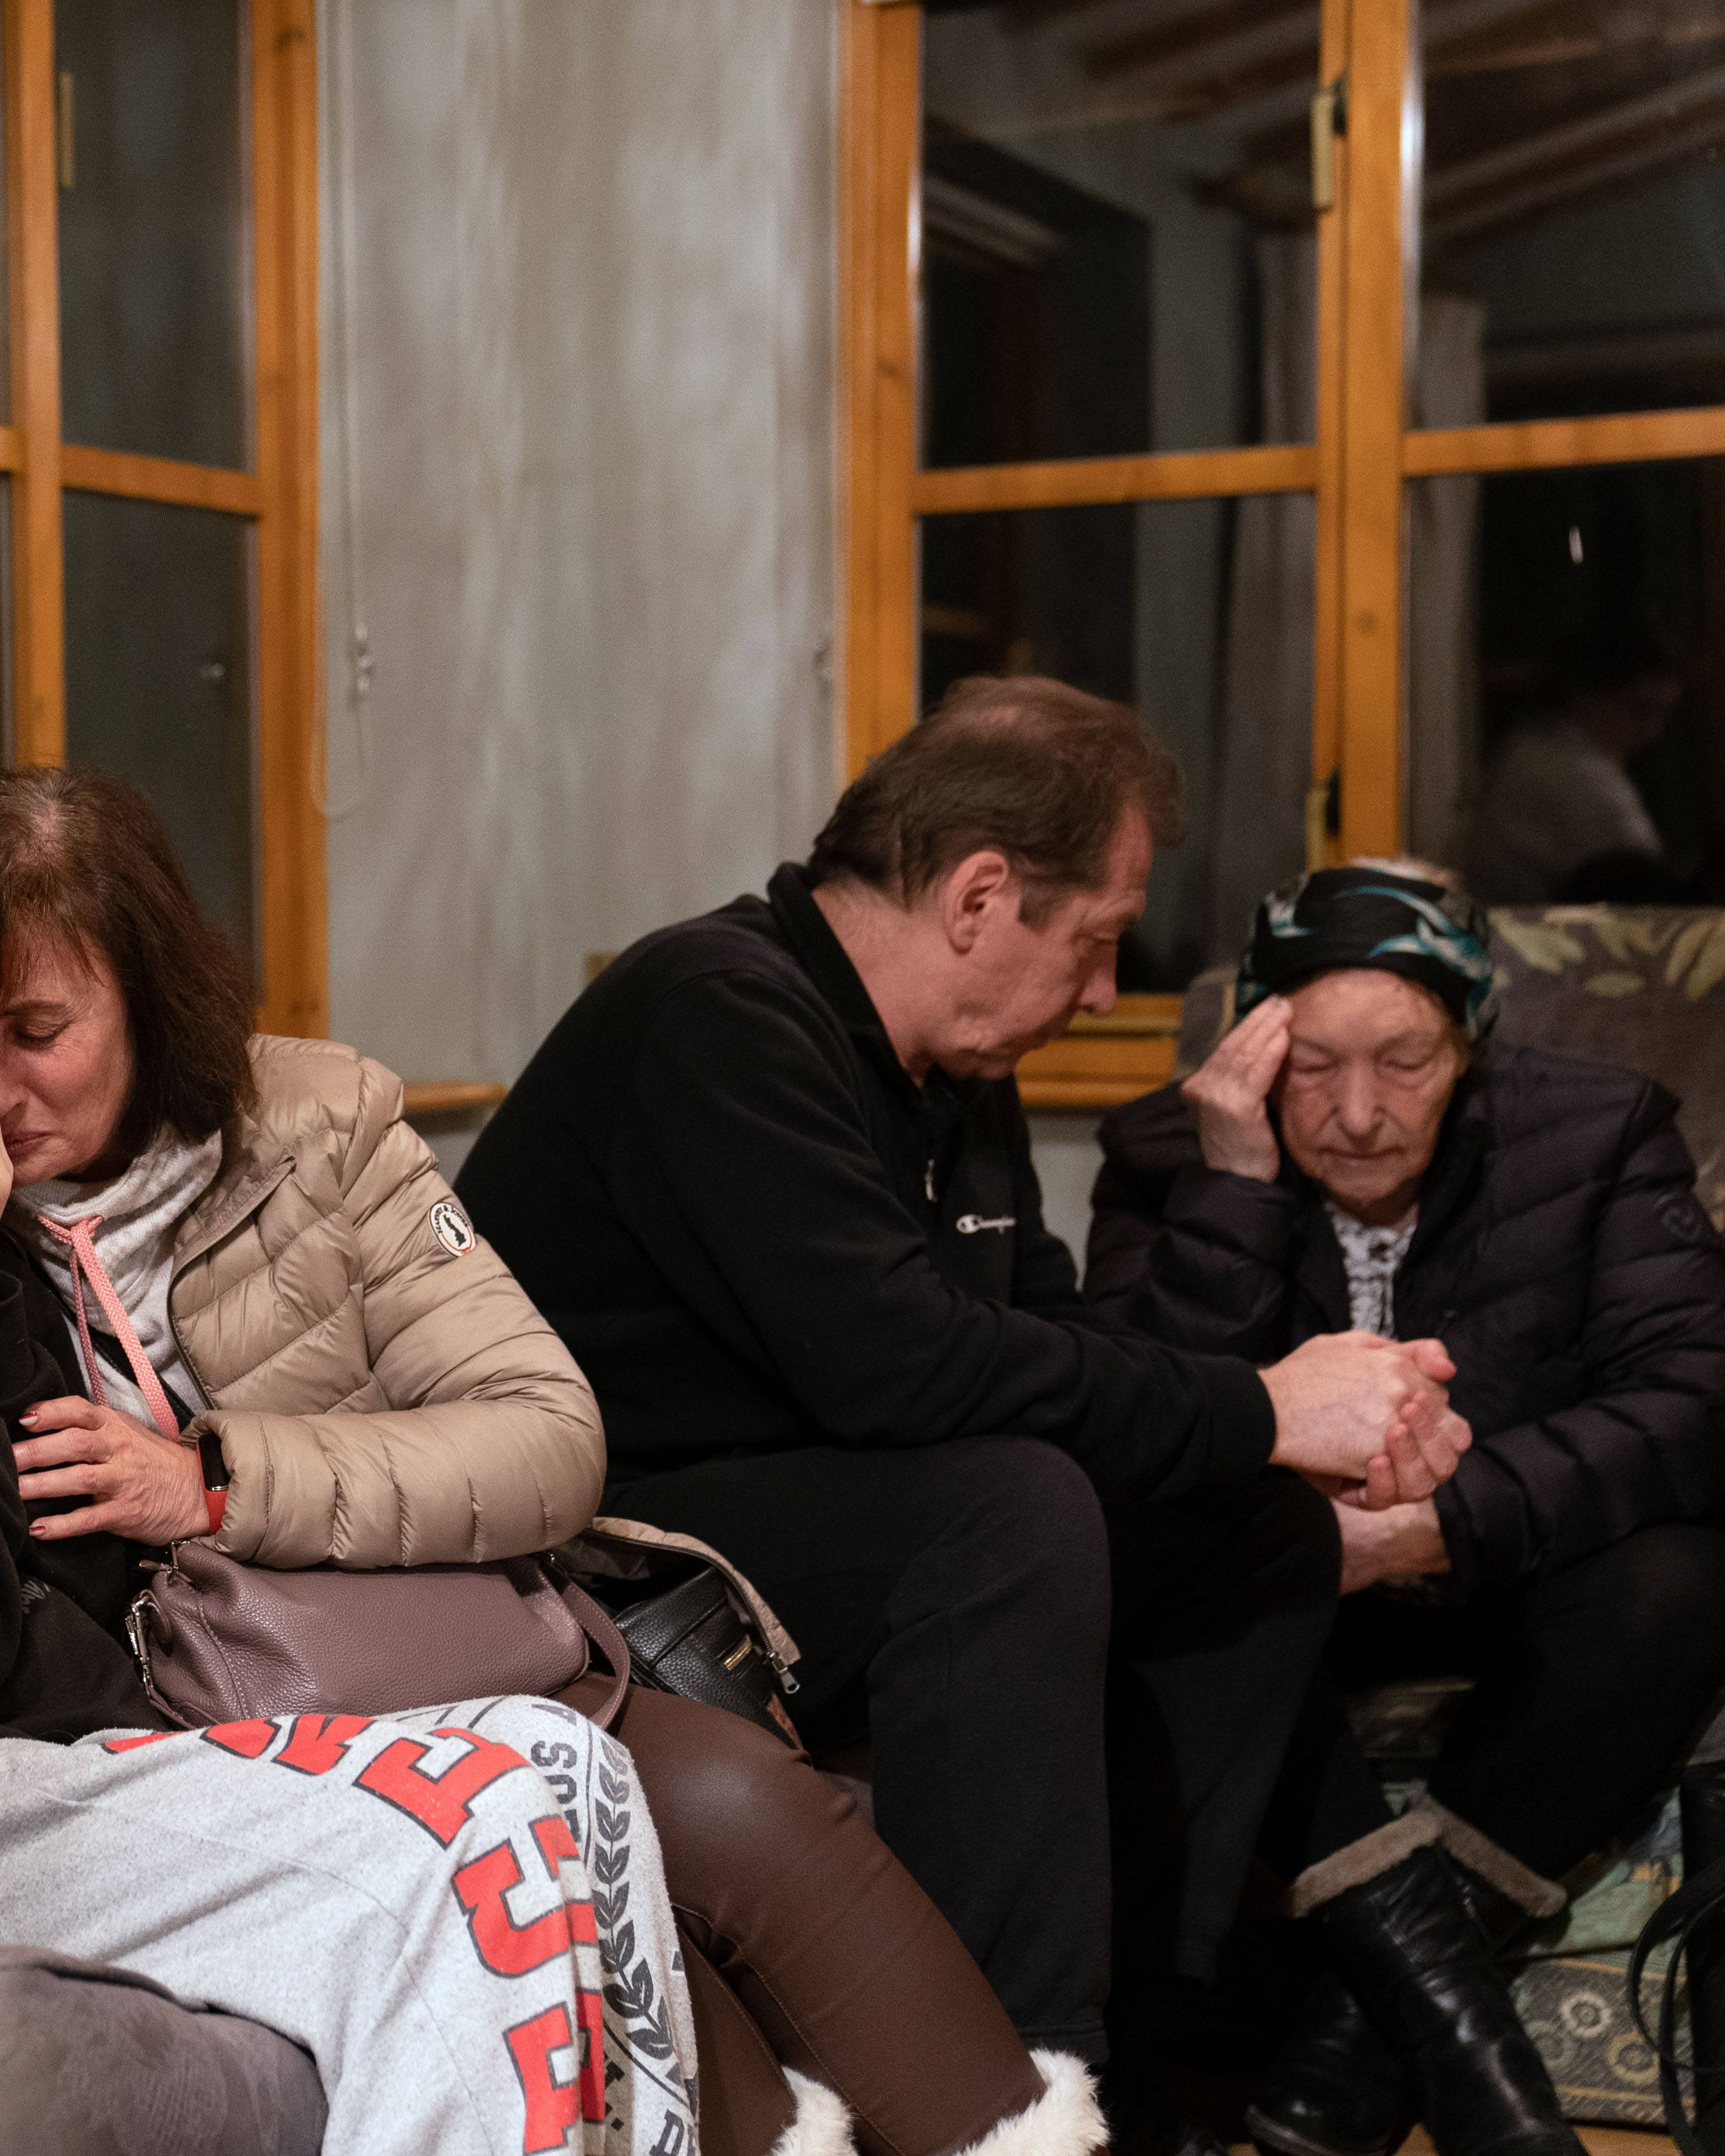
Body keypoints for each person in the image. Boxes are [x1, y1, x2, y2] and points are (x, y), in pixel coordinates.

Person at [0, 766, 1105, 2156]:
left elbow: (527, 1433)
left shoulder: (287, 1129)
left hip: (364, 1629)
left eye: (21, 1032)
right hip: (158, 1715)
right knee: (543, 1806)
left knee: (704, 1789)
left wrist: (213, 1477)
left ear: (149, 1002)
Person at [455, 676, 1471, 2156]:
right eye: (1100, 933)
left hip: (808, 1504)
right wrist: (1260, 1400)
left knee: (1249, 1528)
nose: (1107, 989)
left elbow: (1039, 1335)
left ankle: (1146, 2054)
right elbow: (902, 1369)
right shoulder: (715, 1011)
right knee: (1006, 1508)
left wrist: (1282, 1450)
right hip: (608, 1544)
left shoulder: (951, 1070)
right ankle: (997, 2087)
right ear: (983, 893)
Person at [1086, 862, 1725, 2156]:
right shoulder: (1169, 1152)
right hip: (1286, 1600)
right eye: (1313, 1066)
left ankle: (1355, 2027)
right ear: (1255, 1044)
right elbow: (1136, 1440)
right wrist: (1232, 1190)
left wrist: (1446, 1518)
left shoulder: (1597, 1131)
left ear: (1473, 1039)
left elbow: (1697, 1398)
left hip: (1512, 1576)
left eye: (1408, 1061)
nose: (1362, 1114)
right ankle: (1451, 2038)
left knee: (1685, 1576)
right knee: (1176, 1598)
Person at [1465, 625, 1687, 904]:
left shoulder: (1537, 749)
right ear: (1584, 697)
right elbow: (1650, 893)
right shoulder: (1570, 773)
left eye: (1663, 714)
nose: (1653, 733)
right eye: (1640, 709)